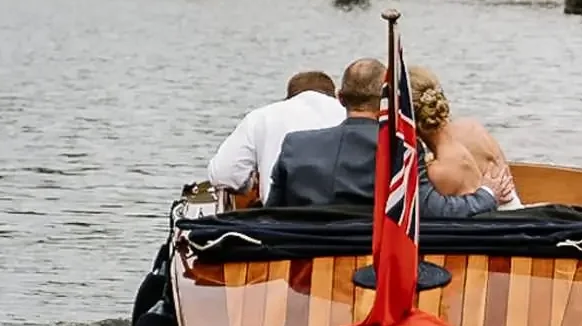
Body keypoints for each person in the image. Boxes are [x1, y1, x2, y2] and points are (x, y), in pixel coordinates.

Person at [268, 58, 498, 220]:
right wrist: (486, 194)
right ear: (391, 100)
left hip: (300, 258)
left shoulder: (294, 146)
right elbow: (434, 210)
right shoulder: (401, 148)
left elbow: (272, 214)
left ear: (340, 98)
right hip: (370, 261)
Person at [207, 70, 344, 201]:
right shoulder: (351, 115)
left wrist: (249, 185)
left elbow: (223, 175)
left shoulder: (261, 116)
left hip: (281, 220)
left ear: (288, 98)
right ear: (336, 96)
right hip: (348, 219)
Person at [410, 69, 523, 209]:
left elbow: (439, 211)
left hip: (496, 225)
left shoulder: (438, 172)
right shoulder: (472, 127)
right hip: (516, 208)